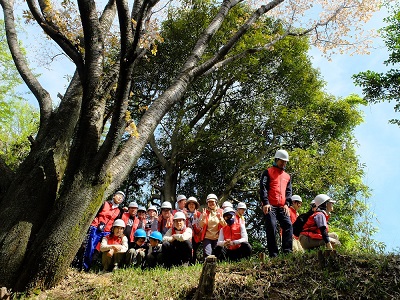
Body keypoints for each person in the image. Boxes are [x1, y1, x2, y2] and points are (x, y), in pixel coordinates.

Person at [259, 149, 293, 258]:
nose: (283, 163)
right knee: (271, 226)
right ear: (276, 159)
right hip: (270, 205)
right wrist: (265, 203)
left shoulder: (287, 176)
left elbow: (289, 191)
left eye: (285, 162)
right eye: (282, 161)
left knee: (288, 225)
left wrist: (287, 204)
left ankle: (287, 252)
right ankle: (273, 254)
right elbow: (263, 187)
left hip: (282, 206)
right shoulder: (267, 172)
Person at [82, 190, 124, 271]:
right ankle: (84, 267)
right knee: (90, 247)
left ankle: (97, 267)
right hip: (96, 228)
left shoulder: (119, 211)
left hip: (107, 232)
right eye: (119, 195)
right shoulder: (104, 203)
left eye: (122, 198)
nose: (120, 198)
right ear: (114, 195)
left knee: (100, 249)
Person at [198, 194, 226, 259]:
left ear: (216, 202)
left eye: (212, 201)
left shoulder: (221, 212)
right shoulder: (205, 212)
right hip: (207, 237)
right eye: (209, 202)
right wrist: (203, 218)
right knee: (207, 255)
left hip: (218, 237)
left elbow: (225, 225)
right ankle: (207, 268)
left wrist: (220, 218)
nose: (211, 203)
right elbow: (201, 225)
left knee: (218, 255)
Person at [185, 196, 202, 264]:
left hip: (196, 236)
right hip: (187, 236)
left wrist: (195, 219)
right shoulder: (184, 214)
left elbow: (200, 228)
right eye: (190, 204)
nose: (191, 205)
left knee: (195, 250)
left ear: (195, 205)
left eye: (193, 204)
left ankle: (193, 263)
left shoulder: (199, 214)